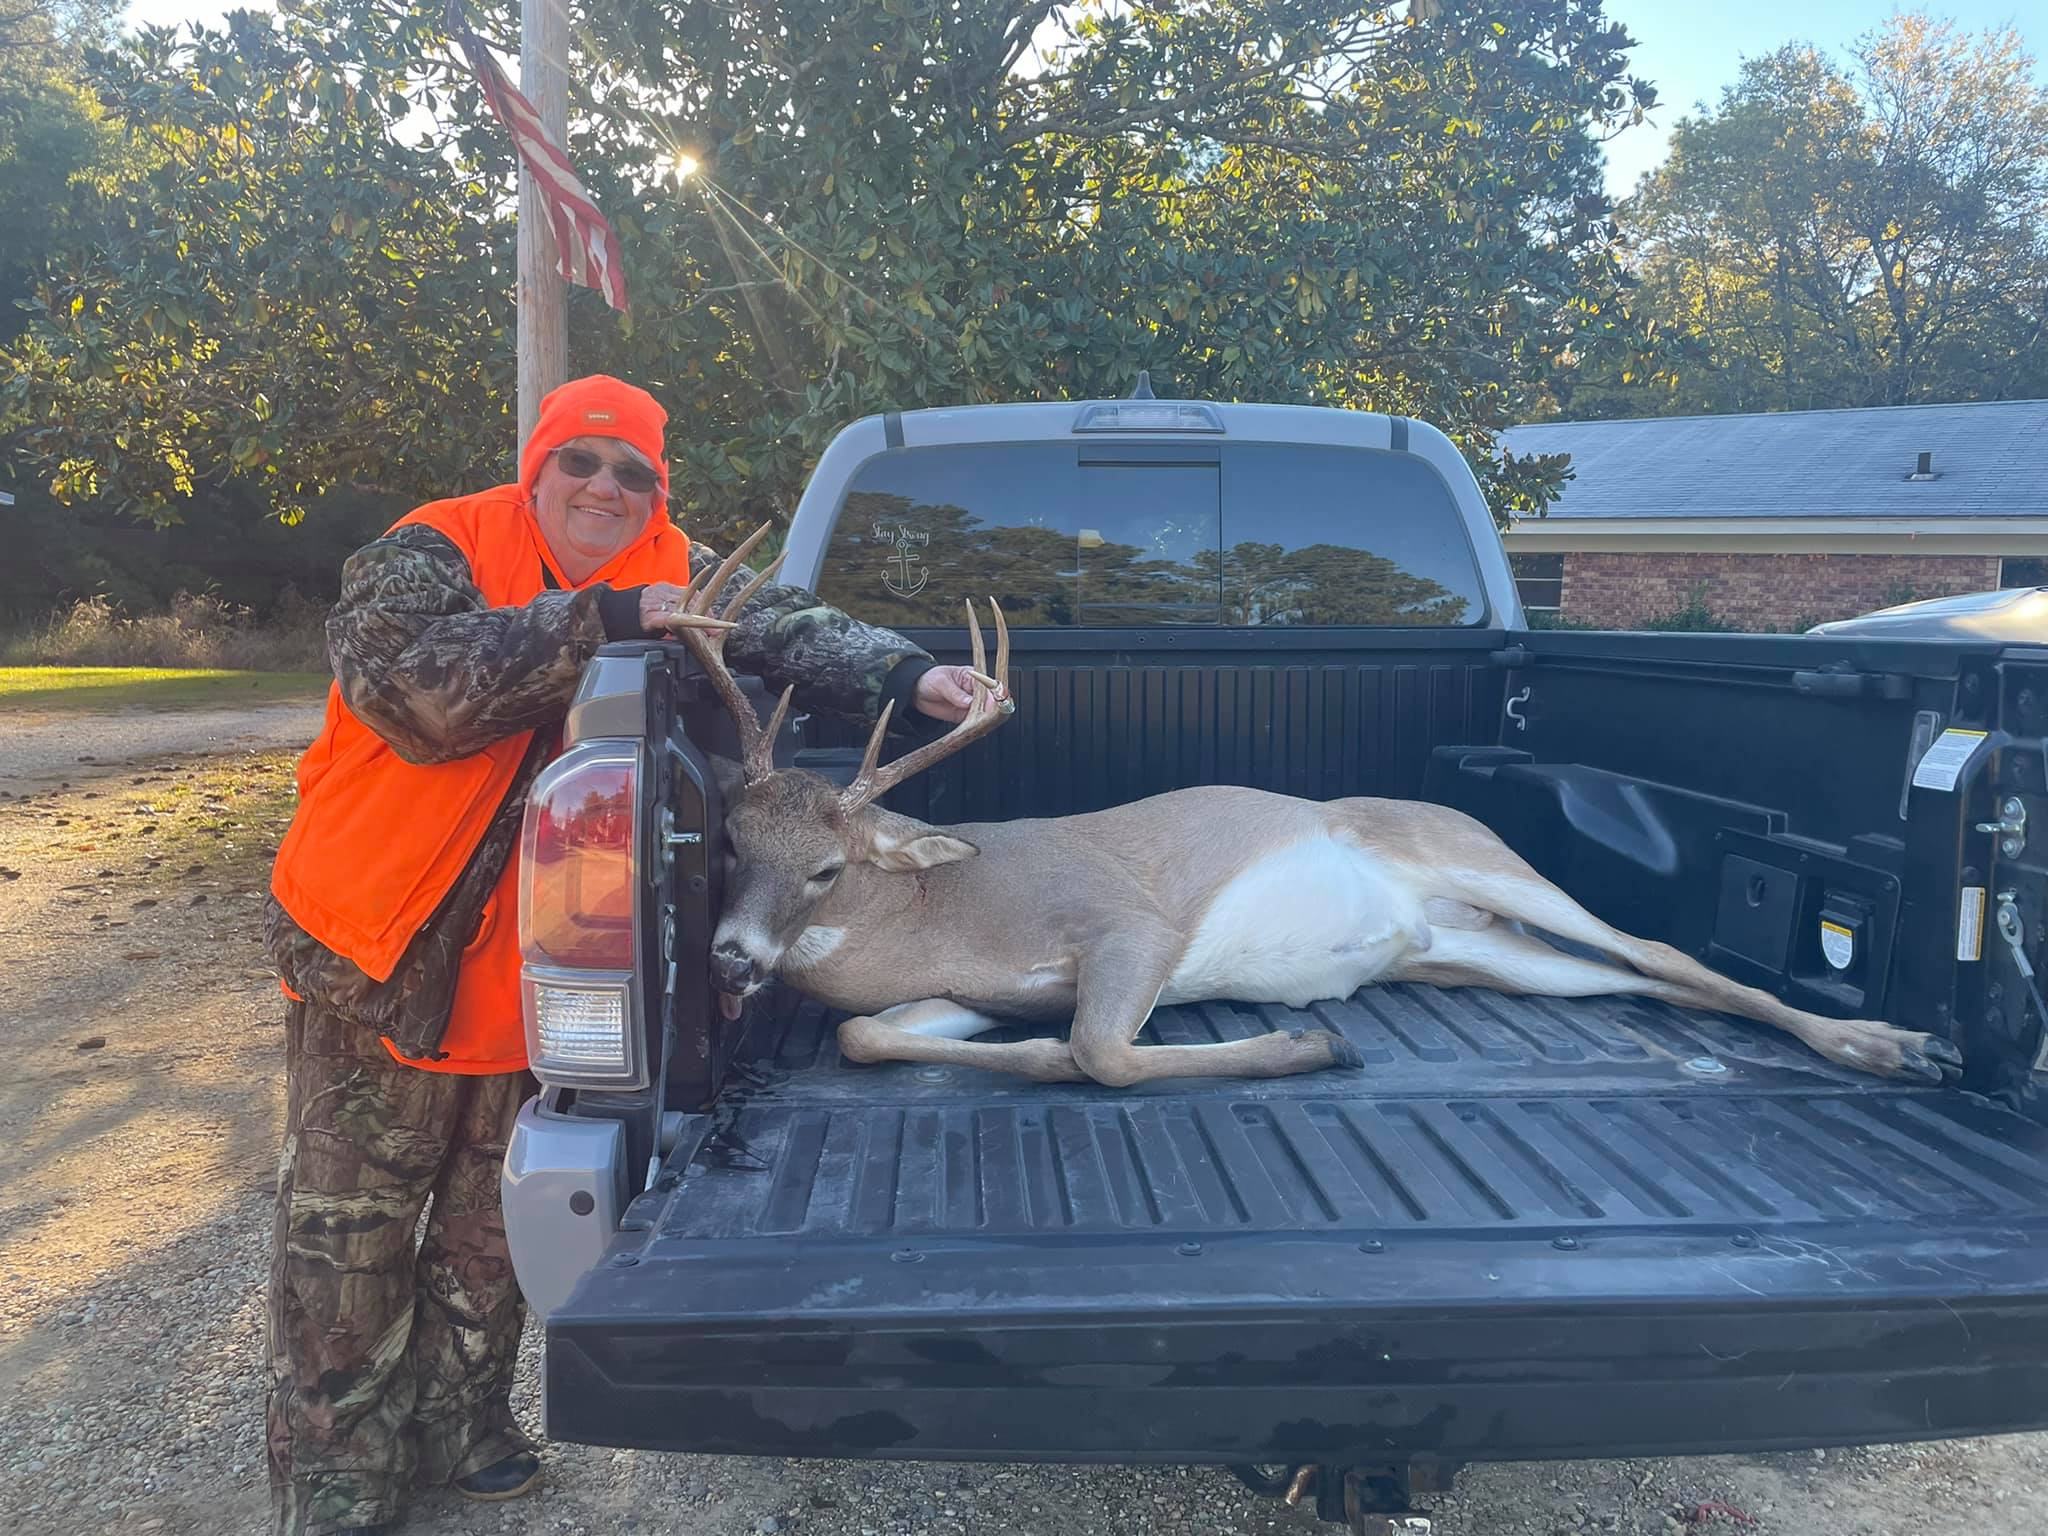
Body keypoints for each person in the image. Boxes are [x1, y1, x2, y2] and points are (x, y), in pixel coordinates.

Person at [261, 375, 978, 1536]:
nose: (604, 487)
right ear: (537, 466)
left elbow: (789, 625)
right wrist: (602, 620)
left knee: (487, 1225)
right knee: (351, 1232)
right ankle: (340, 1476)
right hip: (384, 949)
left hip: (541, 973)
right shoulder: (435, 545)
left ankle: (462, 1424)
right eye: (580, 462)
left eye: (632, 472)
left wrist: (907, 675)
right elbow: (410, 698)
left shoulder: (677, 564)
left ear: (658, 488)